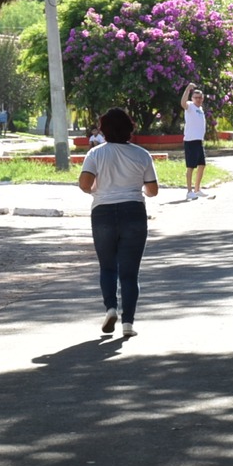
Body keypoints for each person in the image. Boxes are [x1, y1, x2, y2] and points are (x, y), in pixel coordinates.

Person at [76, 108, 159, 339]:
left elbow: (84, 184)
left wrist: (96, 190)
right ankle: (128, 324)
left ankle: (111, 308)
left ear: (103, 130)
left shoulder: (95, 155)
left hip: (102, 212)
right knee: (130, 273)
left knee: (108, 266)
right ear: (130, 128)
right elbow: (152, 191)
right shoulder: (142, 155)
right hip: (133, 212)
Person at [180, 83, 208, 200]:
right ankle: (189, 191)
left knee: (202, 165)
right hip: (190, 141)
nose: (198, 99)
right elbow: (183, 103)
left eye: (200, 97)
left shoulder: (200, 109)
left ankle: (197, 189)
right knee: (190, 166)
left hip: (198, 141)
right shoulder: (190, 106)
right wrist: (188, 89)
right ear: (192, 98)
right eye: (196, 97)